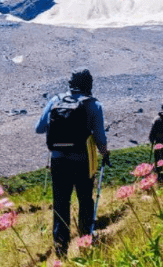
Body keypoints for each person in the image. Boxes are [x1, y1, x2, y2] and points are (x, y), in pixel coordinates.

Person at [35, 68, 110, 259]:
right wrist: (105, 153)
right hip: (82, 161)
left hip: (58, 161)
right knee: (85, 200)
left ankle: (61, 250)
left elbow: (39, 128)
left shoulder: (55, 101)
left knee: (61, 204)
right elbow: (100, 137)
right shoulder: (93, 105)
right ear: (89, 84)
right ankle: (85, 240)